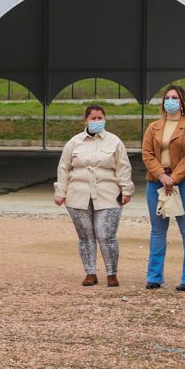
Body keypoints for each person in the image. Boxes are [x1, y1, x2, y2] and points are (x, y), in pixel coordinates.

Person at [55, 104, 134, 287]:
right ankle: (90, 272)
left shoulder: (115, 142)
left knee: (106, 235)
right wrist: (60, 192)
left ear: (105, 119)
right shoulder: (74, 142)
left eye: (100, 118)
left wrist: (126, 190)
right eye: (93, 118)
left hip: (108, 194)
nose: (97, 121)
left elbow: (124, 167)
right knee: (85, 236)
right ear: (86, 120)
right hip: (78, 195)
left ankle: (111, 273)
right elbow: (63, 168)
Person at [140, 85, 185, 291]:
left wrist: (173, 178)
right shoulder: (154, 127)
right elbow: (147, 153)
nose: (170, 101)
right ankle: (154, 276)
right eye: (167, 97)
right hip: (156, 182)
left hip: (184, 183)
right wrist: (161, 175)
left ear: (182, 101)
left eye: (174, 97)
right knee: (158, 231)